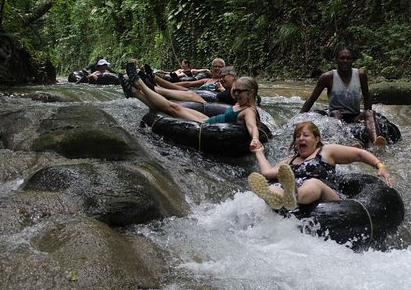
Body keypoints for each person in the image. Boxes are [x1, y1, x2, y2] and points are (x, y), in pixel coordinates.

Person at [248, 121, 392, 210]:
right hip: (297, 198)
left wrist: (380, 166)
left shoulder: (326, 151)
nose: (300, 139)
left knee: (314, 183)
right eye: (297, 136)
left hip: (328, 197)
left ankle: (293, 195)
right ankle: (273, 198)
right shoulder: (289, 161)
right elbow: (267, 173)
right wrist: (259, 152)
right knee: (274, 187)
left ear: (317, 139)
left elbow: (359, 154)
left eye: (305, 135)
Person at [122, 61, 262, 151]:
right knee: (172, 107)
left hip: (206, 125)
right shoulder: (242, 102)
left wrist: (255, 139)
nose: (235, 94)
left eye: (239, 91)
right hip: (208, 119)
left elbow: (252, 126)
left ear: (251, 92)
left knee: (173, 108)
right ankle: (135, 92)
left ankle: (139, 85)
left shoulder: (249, 110)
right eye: (235, 91)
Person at [300, 46, 386, 146]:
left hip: (355, 115)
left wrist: (368, 116)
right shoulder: (328, 77)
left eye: (348, 58)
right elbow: (311, 99)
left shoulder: (360, 75)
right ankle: (351, 142)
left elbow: (367, 97)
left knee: (370, 112)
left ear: (352, 60)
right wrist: (300, 118)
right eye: (342, 58)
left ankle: (376, 140)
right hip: (337, 116)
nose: (345, 61)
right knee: (336, 113)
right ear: (336, 60)